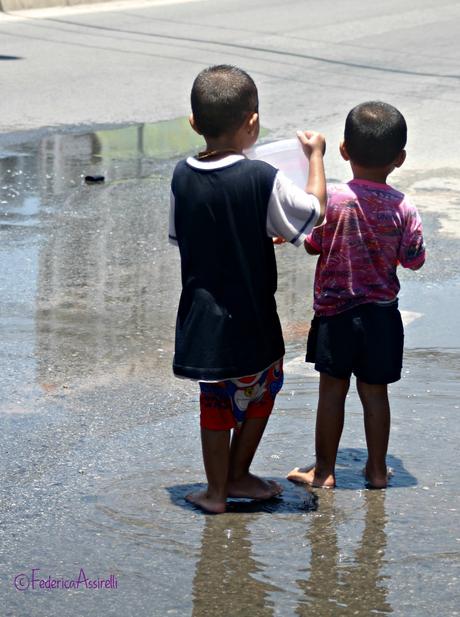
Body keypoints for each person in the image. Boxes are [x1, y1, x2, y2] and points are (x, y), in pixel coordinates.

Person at [169, 64, 326, 513]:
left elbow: (184, 236)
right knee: (263, 386)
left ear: (194, 123)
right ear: (252, 122)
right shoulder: (262, 177)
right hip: (255, 314)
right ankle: (232, 478)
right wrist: (315, 157)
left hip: (204, 319)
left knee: (216, 402)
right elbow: (313, 211)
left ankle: (221, 485)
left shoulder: (181, 176)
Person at [287, 101, 425, 489]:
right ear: (399, 159)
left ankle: (324, 471)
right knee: (375, 394)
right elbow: (414, 260)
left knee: (332, 392)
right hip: (381, 315)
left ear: (344, 150)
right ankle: (377, 470)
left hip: (335, 313)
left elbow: (314, 245)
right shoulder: (403, 208)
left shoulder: (333, 200)